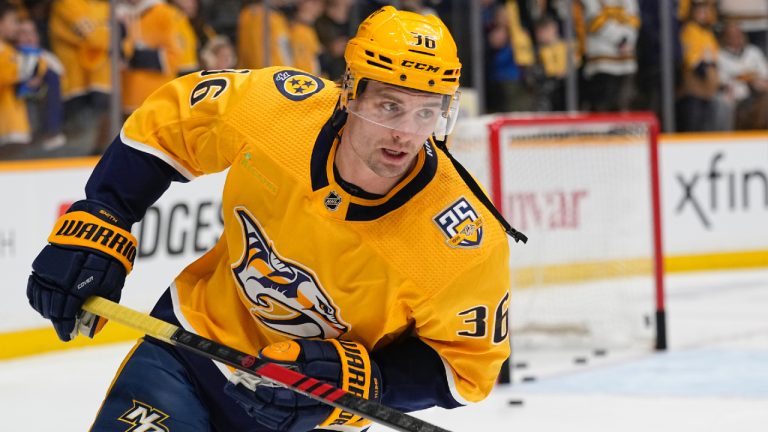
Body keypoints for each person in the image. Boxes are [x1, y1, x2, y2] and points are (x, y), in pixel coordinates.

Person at [26, 6, 522, 431]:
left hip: (309, 415)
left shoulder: (463, 243)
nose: (405, 135)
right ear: (350, 92)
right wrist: (104, 214)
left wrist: (368, 380)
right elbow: (170, 121)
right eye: (389, 106)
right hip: (192, 348)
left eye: (426, 113)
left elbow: (466, 368)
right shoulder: (278, 110)